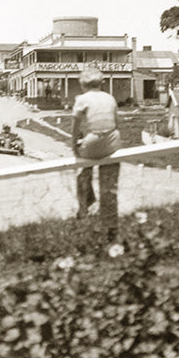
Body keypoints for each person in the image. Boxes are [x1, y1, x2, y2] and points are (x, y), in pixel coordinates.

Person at [71, 68, 121, 241]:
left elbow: (76, 126)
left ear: (83, 84)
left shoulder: (82, 99)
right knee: (109, 187)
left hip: (93, 141)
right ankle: (111, 228)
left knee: (82, 172)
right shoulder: (110, 98)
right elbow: (117, 123)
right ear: (101, 83)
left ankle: (85, 206)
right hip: (113, 140)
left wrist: (74, 146)